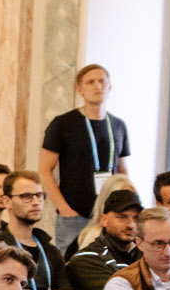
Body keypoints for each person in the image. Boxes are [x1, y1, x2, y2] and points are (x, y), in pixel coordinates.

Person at [40, 63, 129, 247]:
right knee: (70, 267)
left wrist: (123, 207)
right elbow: (44, 171)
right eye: (90, 82)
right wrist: (64, 209)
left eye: (101, 81)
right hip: (74, 216)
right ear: (80, 90)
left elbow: (122, 171)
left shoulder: (118, 125)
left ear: (109, 87)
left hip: (109, 214)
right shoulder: (63, 124)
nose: (97, 86)